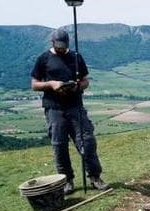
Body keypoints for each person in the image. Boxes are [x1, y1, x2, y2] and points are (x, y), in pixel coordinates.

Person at [31, 29, 108, 194]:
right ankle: (66, 180)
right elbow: (34, 84)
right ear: (52, 43)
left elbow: (86, 80)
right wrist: (51, 84)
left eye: (63, 46)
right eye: (58, 46)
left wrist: (78, 86)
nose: (60, 48)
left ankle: (95, 177)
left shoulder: (76, 57)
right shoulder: (43, 58)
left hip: (75, 106)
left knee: (87, 142)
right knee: (59, 145)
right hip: (54, 107)